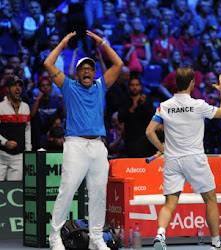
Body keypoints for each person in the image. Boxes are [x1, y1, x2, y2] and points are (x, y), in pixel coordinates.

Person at [43, 30, 123, 250]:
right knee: (67, 190)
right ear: (77, 74)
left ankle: (96, 238)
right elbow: (48, 63)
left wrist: (102, 43)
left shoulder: (100, 86)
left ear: (94, 72)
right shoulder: (68, 86)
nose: (86, 71)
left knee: (98, 193)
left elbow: (118, 64)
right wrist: (63, 42)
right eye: (82, 69)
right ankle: (54, 237)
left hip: (98, 146)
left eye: (89, 68)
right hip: (76, 145)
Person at [145, 67, 221, 250]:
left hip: (172, 160)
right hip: (194, 159)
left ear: (176, 82)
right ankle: (216, 243)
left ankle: (160, 234)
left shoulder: (164, 106)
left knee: (170, 203)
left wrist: (162, 148)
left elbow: (149, 131)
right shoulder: (198, 105)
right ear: (192, 83)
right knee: (210, 199)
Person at [0, 76, 31, 181]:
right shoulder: (1, 106)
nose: (17, 88)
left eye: (20, 85)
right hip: (1, 155)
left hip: (19, 156)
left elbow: (27, 130)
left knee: (14, 189)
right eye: (14, 85)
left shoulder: (26, 107)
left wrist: (28, 152)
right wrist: (5, 142)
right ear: (7, 89)